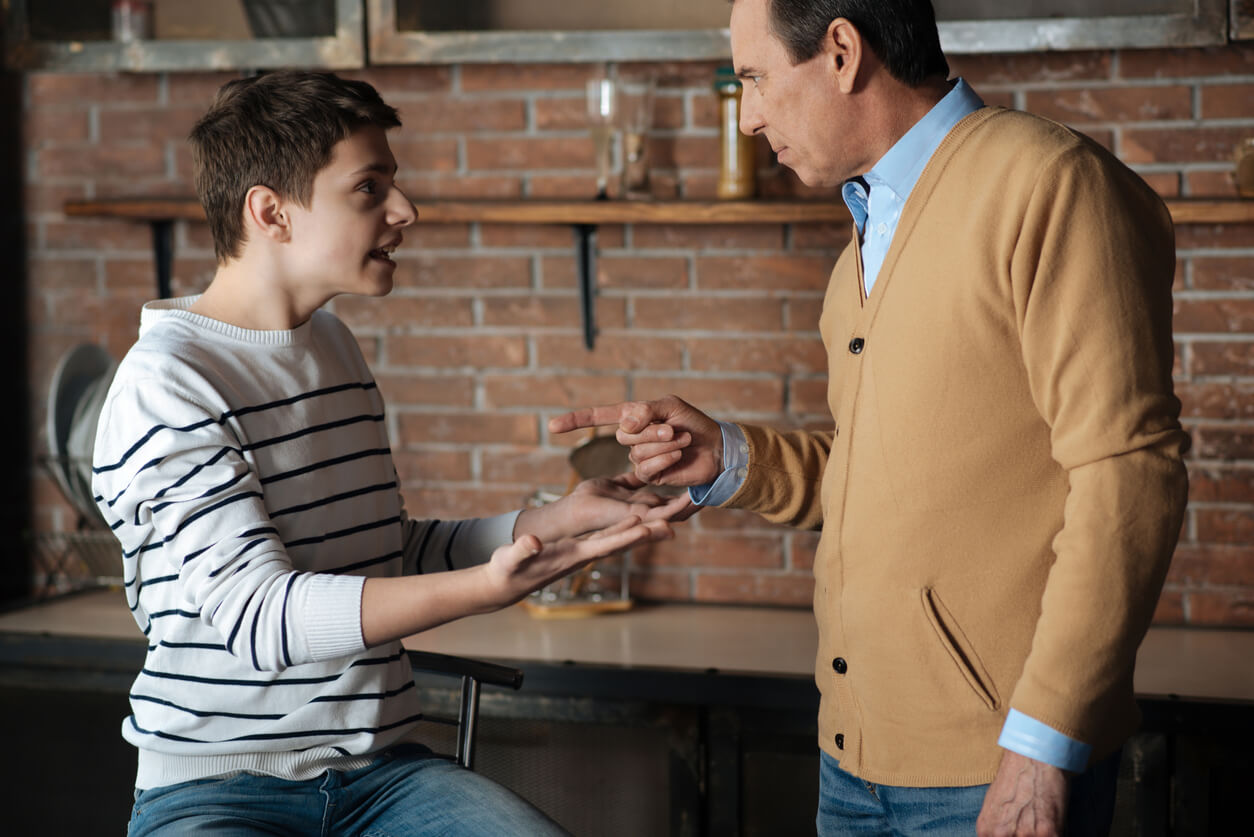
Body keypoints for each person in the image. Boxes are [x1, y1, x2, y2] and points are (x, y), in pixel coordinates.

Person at [549, 1, 1189, 835]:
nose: (748, 119)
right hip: (853, 761)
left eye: (756, 79)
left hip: (993, 766)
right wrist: (730, 457)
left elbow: (1130, 475)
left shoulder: (1048, 184)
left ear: (843, 51)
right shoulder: (870, 228)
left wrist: (1042, 745)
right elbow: (885, 472)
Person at [91, 70, 691, 837]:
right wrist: (484, 588)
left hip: (384, 775)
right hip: (217, 787)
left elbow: (382, 554)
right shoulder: (167, 382)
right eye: (369, 188)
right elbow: (263, 616)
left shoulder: (331, 345)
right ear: (271, 213)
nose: (405, 210)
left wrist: (554, 520)